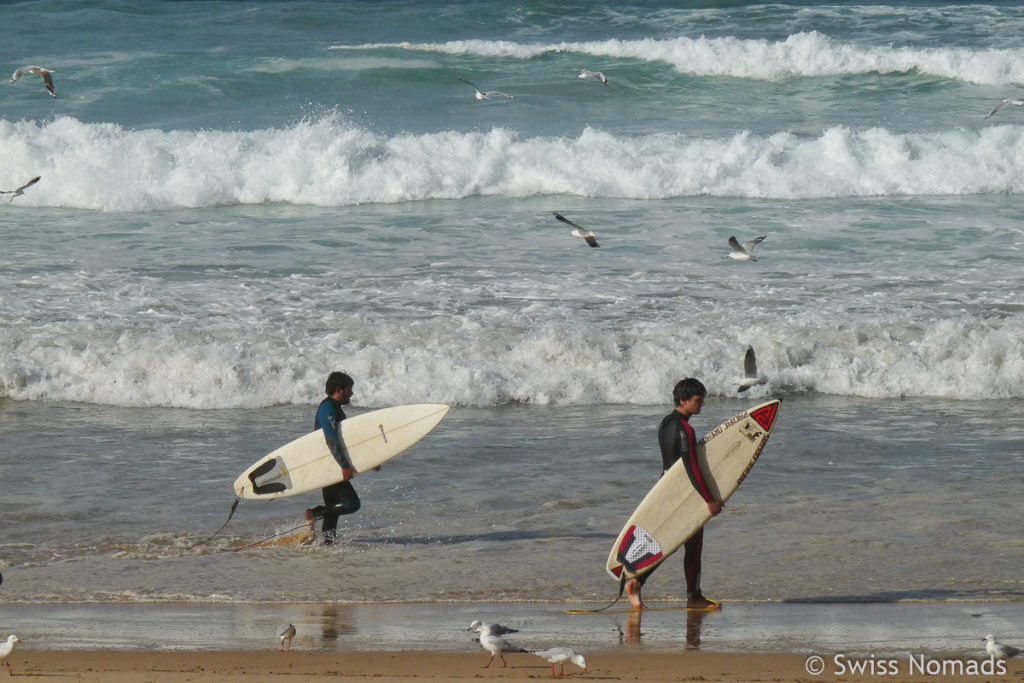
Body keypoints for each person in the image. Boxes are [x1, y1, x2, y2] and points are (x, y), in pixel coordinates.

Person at [625, 377, 723, 610]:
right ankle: (693, 596)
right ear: (683, 400)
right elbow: (691, 468)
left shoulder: (666, 422)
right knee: (693, 546)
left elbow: (672, 465)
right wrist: (709, 499)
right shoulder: (686, 430)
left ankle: (639, 581)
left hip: (664, 490)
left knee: (668, 540)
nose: (702, 405)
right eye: (698, 401)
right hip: (685, 494)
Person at [310, 371, 371, 545]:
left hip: (331, 464)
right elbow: (332, 440)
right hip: (330, 465)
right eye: (349, 389)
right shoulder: (328, 408)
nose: (351, 393)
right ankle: (315, 513)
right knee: (352, 504)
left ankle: (327, 548)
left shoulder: (335, 408)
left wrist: (371, 459)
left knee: (334, 511)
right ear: (339, 389)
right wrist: (344, 466)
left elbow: (346, 442)